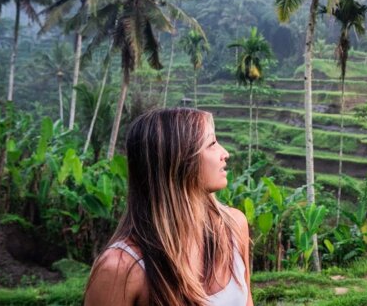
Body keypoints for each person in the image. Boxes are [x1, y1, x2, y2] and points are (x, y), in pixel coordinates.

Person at [84, 108, 253, 306]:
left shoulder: (233, 227)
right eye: (212, 144)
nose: (225, 153)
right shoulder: (120, 268)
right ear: (179, 161)